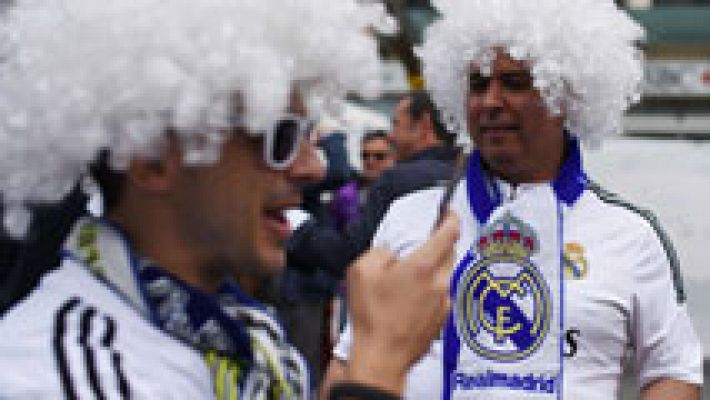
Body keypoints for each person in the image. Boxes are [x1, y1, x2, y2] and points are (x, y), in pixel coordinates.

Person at [0, 1, 459, 399]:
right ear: (154, 158)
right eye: (278, 136)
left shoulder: (244, 339)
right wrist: (377, 366)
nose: (312, 167)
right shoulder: (66, 376)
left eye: (306, 136)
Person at [324, 0, 704, 399]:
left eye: (515, 83)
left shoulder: (630, 234)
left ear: (566, 97)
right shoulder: (410, 216)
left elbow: (672, 369)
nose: (490, 101)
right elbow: (350, 362)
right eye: (478, 84)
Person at [288, 90, 458, 278]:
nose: (391, 136)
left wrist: (298, 226)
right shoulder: (469, 174)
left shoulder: (397, 180)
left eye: (396, 124)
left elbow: (353, 255)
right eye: (365, 156)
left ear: (423, 124)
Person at [329, 130, 396, 232]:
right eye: (365, 156)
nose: (370, 161)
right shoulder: (345, 195)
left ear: (394, 159)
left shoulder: (403, 196)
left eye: (379, 156)